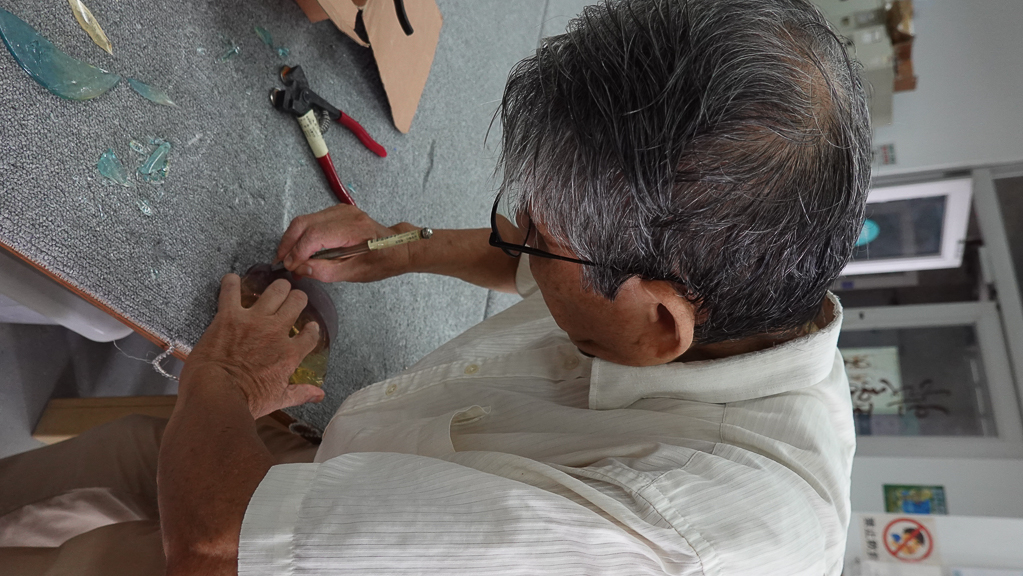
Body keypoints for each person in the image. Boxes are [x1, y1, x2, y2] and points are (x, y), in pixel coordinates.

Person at [0, 0, 870, 574]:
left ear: (657, 326)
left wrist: (221, 378)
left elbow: (214, 546)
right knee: (131, 452)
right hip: (368, 463)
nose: (517, 243)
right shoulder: (739, 293)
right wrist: (403, 246)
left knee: (99, 561)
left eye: (539, 236)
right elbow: (539, 268)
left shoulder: (656, 542)